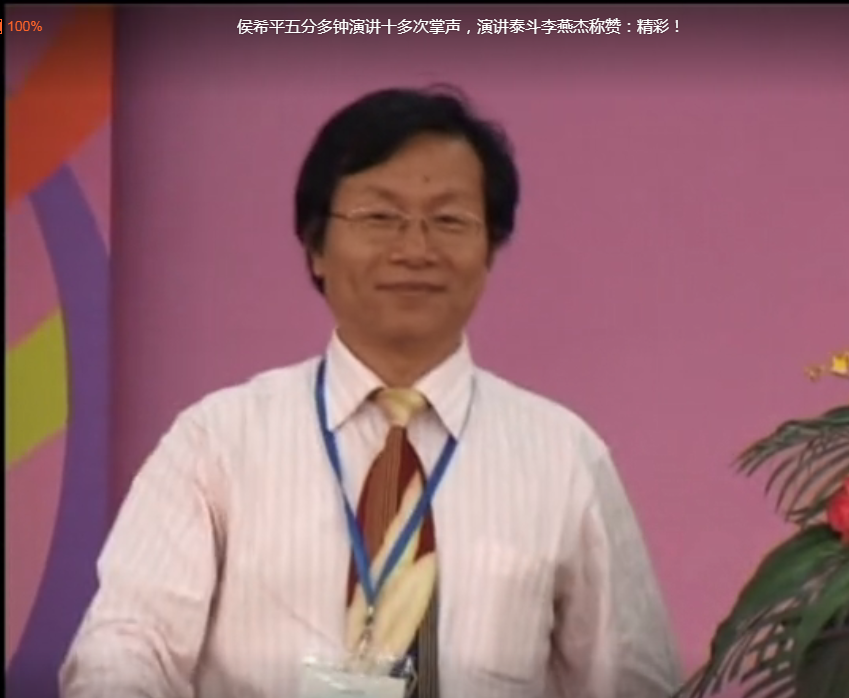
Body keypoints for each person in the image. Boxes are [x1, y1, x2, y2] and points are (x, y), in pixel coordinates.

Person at [59, 86, 683, 698]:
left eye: (449, 220)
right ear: (315, 247)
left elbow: (635, 678)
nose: (415, 249)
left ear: (489, 251)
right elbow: (127, 645)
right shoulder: (216, 443)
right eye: (380, 217)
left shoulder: (564, 456)